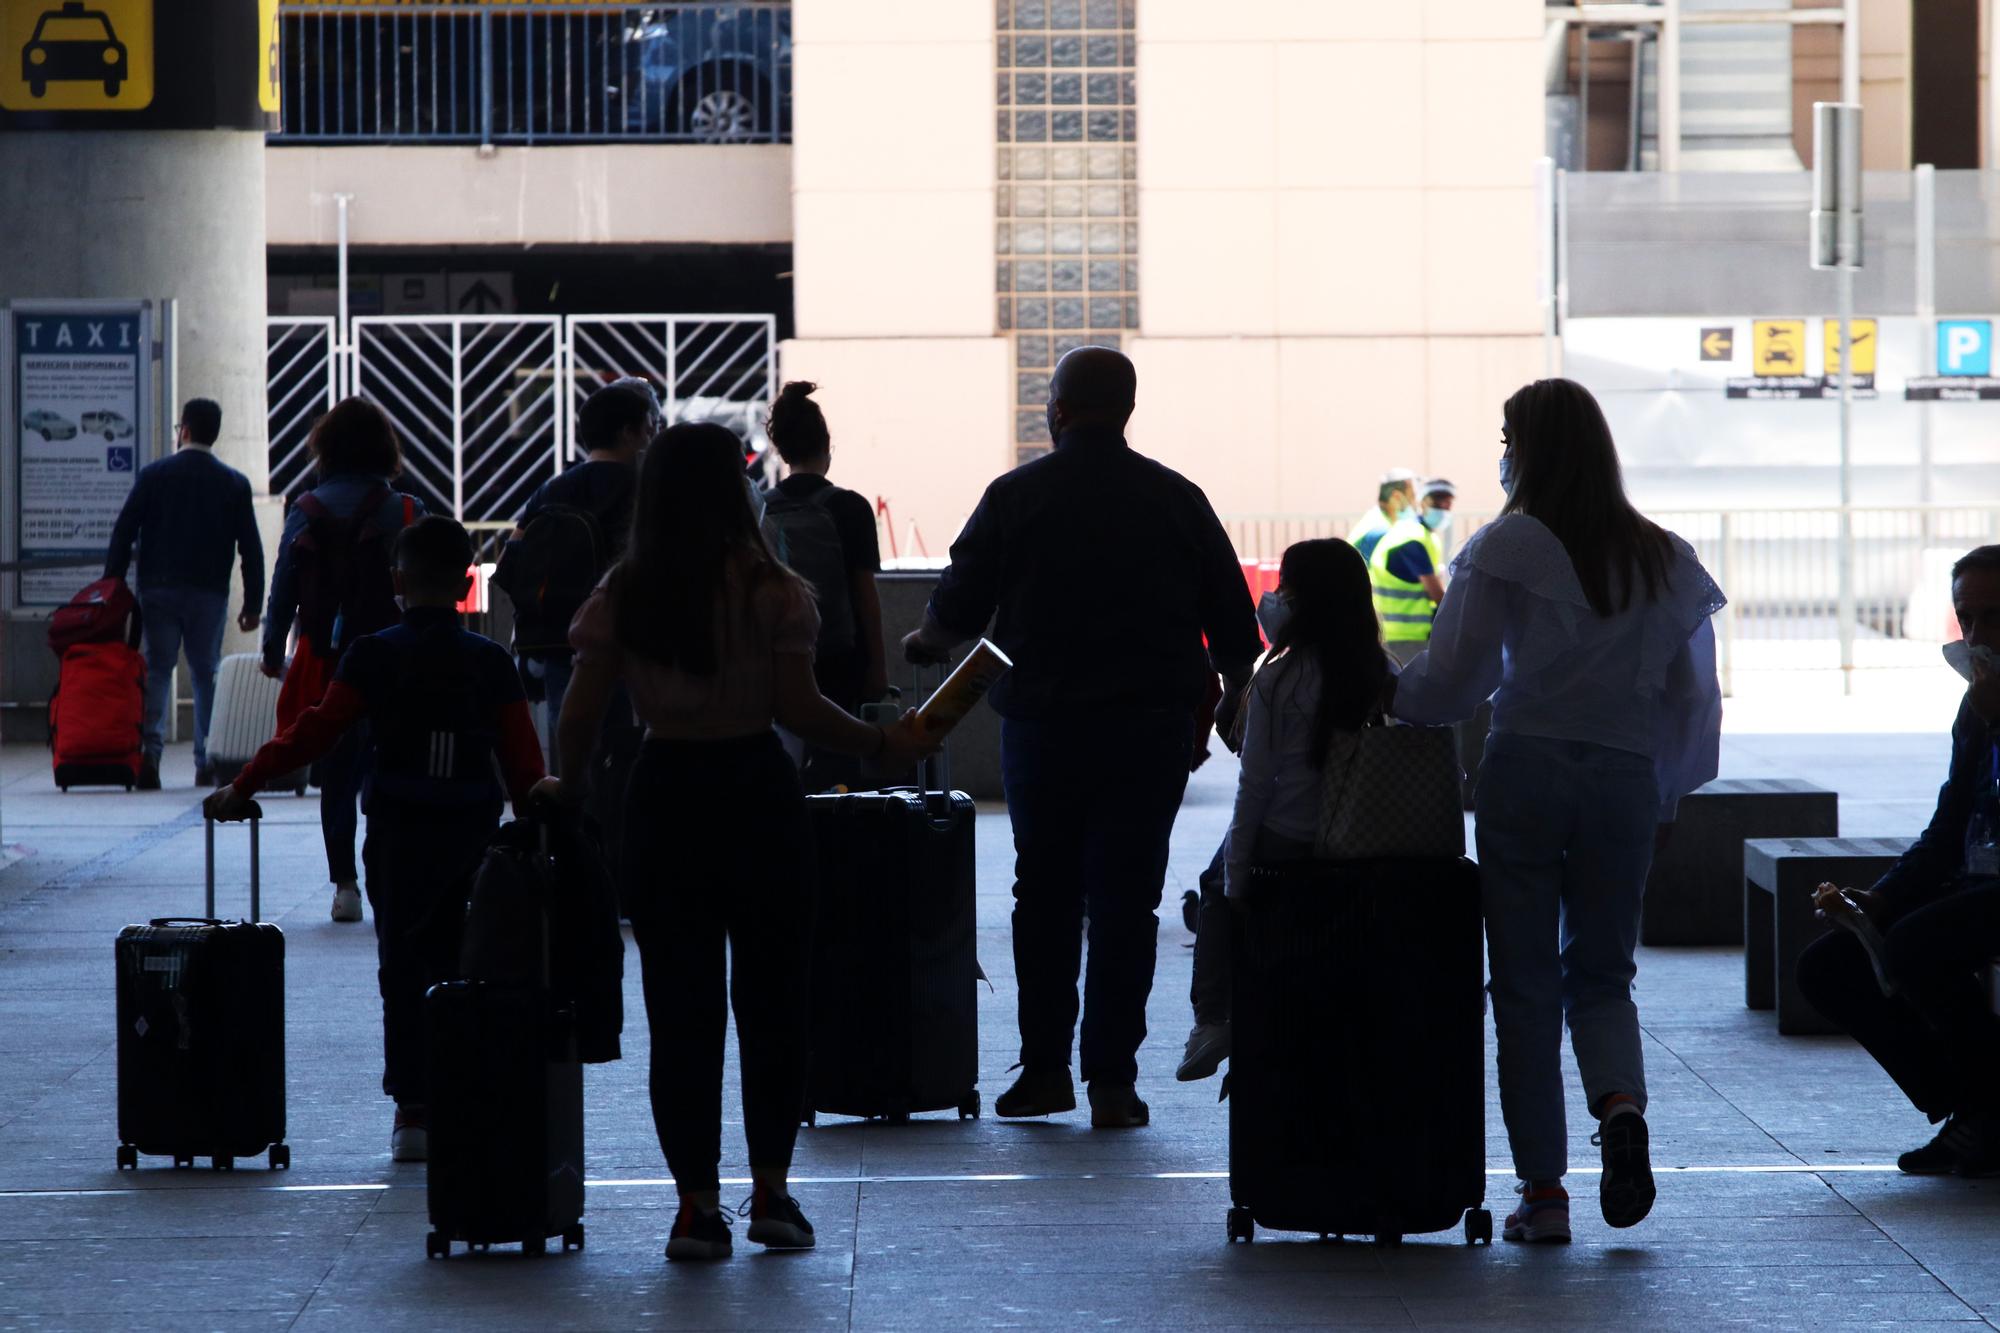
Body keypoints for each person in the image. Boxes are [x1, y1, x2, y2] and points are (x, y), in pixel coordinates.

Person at [539, 421, 931, 1263]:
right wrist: (880, 742)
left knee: (680, 1012)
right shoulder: (772, 589)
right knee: (774, 1001)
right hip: (756, 793)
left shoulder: (625, 591)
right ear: (736, 488)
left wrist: (568, 789)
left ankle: (694, 1208)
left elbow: (577, 717)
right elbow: (800, 709)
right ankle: (772, 1195)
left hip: (664, 793)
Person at [1389, 377, 1724, 1244]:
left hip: (1527, 768)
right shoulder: (1665, 557)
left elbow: (1454, 678)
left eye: (1507, 436)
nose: (1500, 453)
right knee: (1604, 973)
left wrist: (1387, 697)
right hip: (1624, 778)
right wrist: (1670, 790)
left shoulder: (1507, 544)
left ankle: (1544, 1195)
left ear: (1530, 449)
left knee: (1527, 984)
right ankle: (1619, 1107)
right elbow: (1694, 698)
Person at [903, 345, 1264, 1129]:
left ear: (1056, 409)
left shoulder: (1015, 496)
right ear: (1128, 411)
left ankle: (1043, 1071)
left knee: (1047, 897)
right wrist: (1234, 702)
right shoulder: (1178, 498)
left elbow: (952, 615)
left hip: (1046, 728)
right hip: (1151, 731)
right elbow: (1238, 632)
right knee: (1128, 903)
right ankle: (1112, 1080)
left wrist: (921, 649)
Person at [207, 517, 545, 1163]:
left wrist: (243, 783)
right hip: (474, 838)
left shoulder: (373, 653)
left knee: (403, 965)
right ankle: (471, 1093)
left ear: (396, 582)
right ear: (467, 583)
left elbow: (315, 731)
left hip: (398, 834)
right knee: (474, 963)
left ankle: (412, 1108)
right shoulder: (491, 662)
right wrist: (533, 832)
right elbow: (524, 764)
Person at [1797, 546, 2000, 1176]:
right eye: (1968, 619)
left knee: (1917, 945)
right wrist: (1878, 899)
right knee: (1830, 965)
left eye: (1995, 618)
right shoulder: (1976, 707)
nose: (1979, 637)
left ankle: (1992, 1108)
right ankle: (1973, 1105)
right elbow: (1946, 829)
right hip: (1976, 876)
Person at [1177, 539, 1392, 1083]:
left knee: (1213, 882)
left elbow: (1255, 786)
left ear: (1305, 601)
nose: (1274, 598)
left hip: (1284, 835)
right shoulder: (1380, 669)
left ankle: (1212, 1019)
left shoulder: (1279, 676)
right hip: (1357, 838)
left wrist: (1239, 872)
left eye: (1285, 588)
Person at [262, 399, 426, 924]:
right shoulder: (404, 510)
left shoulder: (306, 509)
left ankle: (345, 885)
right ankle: (388, 873)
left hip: (329, 659)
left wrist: (271, 648)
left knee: (336, 773)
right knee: (389, 763)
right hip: (394, 656)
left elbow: (284, 582)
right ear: (385, 448)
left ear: (325, 448)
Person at [103, 397, 265, 790]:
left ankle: (150, 755)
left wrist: (113, 585)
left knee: (157, 669)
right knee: (205, 672)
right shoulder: (234, 483)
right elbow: (251, 548)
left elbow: (124, 530)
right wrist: (252, 605)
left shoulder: (154, 475)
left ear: (185, 430)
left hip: (158, 590)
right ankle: (206, 759)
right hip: (208, 593)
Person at [503, 378, 660, 753]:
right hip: (628, 642)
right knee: (623, 751)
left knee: (572, 743)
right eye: (649, 429)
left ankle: (576, 806)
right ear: (629, 432)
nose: (652, 438)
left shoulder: (551, 489)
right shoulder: (645, 488)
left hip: (559, 638)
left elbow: (511, 563)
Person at [763, 381, 889, 742]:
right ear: (826, 448)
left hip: (778, 656)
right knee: (839, 762)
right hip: (841, 656)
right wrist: (877, 669)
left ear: (782, 451)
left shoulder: (762, 508)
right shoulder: (850, 507)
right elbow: (866, 594)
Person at [1370, 475, 1450, 665]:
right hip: (1404, 638)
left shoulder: (1417, 534)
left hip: (1398, 635)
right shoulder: (1412, 539)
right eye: (1437, 502)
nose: (1444, 509)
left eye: (1448, 503)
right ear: (1422, 502)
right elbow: (1437, 594)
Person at [1345, 468, 1418, 564]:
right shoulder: (1379, 532)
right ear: (1397, 497)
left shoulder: (1377, 518)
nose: (1415, 503)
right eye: (1412, 496)